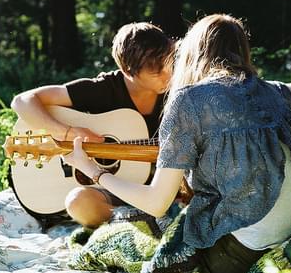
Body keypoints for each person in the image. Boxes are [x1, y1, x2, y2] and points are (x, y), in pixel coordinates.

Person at [61, 14, 291, 273]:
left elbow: (157, 204)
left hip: (252, 242)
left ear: (193, 53)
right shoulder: (268, 90)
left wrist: (93, 171)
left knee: (129, 244)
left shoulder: (187, 101)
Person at [11, 22, 175, 228]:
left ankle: (139, 220)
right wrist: (68, 133)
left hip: (156, 189)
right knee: (78, 203)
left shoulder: (177, 93)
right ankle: (138, 221)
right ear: (128, 71)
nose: (168, 76)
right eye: (156, 71)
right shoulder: (104, 89)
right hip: (109, 191)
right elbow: (22, 101)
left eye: (168, 65)